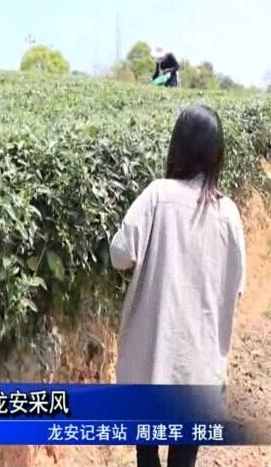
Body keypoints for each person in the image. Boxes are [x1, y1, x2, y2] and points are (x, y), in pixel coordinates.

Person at [109, 104, 246, 467]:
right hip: (198, 364)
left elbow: (120, 254)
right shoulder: (227, 213)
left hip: (153, 357)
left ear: (178, 148)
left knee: (147, 453)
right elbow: (237, 286)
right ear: (217, 155)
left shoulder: (157, 195)